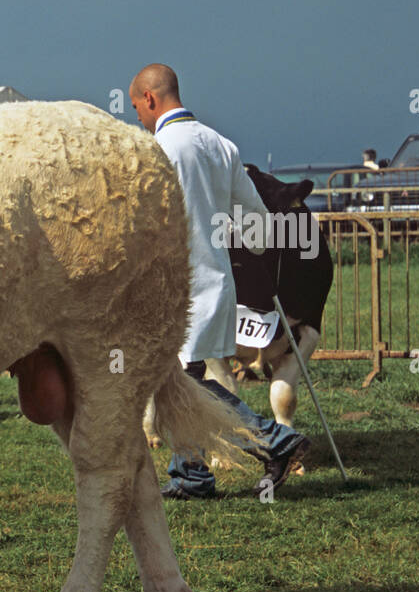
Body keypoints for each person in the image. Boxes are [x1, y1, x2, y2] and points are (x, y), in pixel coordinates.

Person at [128, 63, 310, 499]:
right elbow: (259, 228)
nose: (137, 116)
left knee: (182, 384)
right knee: (183, 382)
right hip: (215, 283)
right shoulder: (222, 146)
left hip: (178, 288)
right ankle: (192, 475)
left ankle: (276, 442)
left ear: (150, 99)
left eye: (136, 107)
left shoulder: (156, 149)